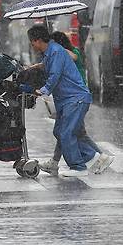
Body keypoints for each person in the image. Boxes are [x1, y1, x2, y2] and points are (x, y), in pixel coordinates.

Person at [26, 25, 113, 177]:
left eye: (31, 42)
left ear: (38, 40)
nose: (31, 45)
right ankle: (96, 156)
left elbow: (55, 75)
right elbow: (49, 68)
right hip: (66, 100)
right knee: (60, 131)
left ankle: (79, 167)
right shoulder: (49, 53)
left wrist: (43, 90)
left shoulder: (56, 51)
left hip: (75, 99)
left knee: (67, 133)